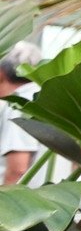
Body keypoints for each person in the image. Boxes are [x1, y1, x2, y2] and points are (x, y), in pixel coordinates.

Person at [1, 44, 43, 185]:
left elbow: (17, 170)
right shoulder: (44, 97)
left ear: (1, 73)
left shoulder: (18, 104)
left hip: (23, 202)